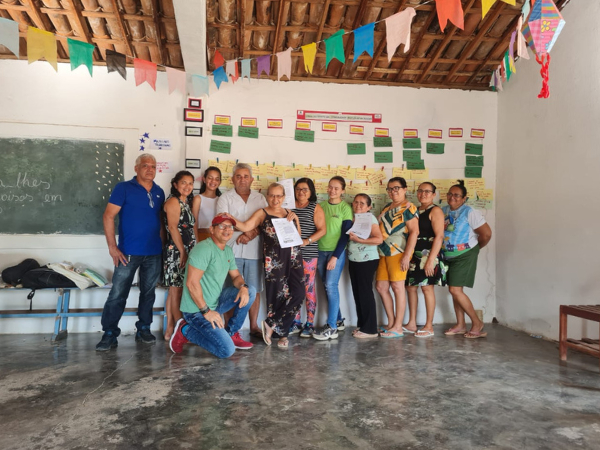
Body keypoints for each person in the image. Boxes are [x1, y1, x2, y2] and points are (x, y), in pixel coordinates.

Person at [96, 153, 165, 351]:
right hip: (127, 253)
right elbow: (108, 216)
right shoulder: (123, 188)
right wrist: (112, 247)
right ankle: (109, 333)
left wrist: (163, 246)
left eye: (153, 165)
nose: (149, 169)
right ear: (136, 168)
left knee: (148, 293)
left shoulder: (159, 191)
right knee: (118, 294)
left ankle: (143, 328)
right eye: (145, 165)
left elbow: (160, 221)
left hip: (153, 253)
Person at [229, 183, 305, 348]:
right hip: (275, 260)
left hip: (294, 257)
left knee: (299, 292)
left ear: (284, 197)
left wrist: (296, 220)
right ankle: (282, 335)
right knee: (278, 296)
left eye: (279, 196)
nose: (275, 199)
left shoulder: (289, 213)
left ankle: (270, 323)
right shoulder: (262, 213)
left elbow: (298, 237)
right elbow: (246, 226)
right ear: (267, 196)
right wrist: (230, 218)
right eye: (272, 195)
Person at [169, 214, 257, 357]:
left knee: (251, 291)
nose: (227, 230)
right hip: (196, 310)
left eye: (230, 227)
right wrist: (206, 312)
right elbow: (191, 283)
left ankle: (230, 333)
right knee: (226, 351)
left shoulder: (227, 251)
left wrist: (243, 287)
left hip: (215, 303)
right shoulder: (203, 249)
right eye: (222, 226)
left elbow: (235, 276)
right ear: (212, 229)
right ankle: (185, 330)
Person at [216, 163, 267, 340]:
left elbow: (265, 223)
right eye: (238, 176)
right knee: (231, 290)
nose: (242, 179)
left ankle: (253, 326)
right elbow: (223, 223)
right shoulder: (224, 198)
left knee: (254, 289)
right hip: (231, 251)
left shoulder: (260, 198)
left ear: (252, 179)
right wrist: (245, 231)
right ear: (232, 179)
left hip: (255, 251)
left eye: (246, 176)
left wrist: (252, 232)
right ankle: (230, 329)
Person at [442, 180, 492, 339]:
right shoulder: (443, 210)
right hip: (448, 256)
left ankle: (477, 323)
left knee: (455, 290)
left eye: (456, 195)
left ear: (464, 198)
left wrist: (474, 249)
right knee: (456, 291)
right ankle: (460, 325)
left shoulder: (470, 212)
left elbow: (486, 234)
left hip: (464, 255)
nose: (452, 197)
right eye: (450, 194)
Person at [375, 177, 419, 339]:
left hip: (398, 251)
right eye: (390, 189)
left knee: (397, 288)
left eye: (396, 188)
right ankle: (392, 323)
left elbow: (414, 232)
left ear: (405, 189)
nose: (393, 192)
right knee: (381, 287)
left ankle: (398, 327)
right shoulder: (387, 207)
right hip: (382, 251)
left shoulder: (409, 207)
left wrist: (408, 255)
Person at [403, 182, 448, 338]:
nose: (423, 194)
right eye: (420, 191)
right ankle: (411, 323)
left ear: (434, 194)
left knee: (427, 288)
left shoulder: (435, 210)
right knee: (410, 287)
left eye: (427, 191)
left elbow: (439, 236)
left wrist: (431, 260)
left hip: (428, 253)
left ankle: (429, 325)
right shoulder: (415, 210)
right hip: (414, 253)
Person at [313, 176, 353, 341]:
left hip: (336, 253)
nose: (332, 191)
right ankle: (338, 320)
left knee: (331, 285)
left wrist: (335, 257)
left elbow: (345, 235)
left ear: (342, 190)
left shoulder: (345, 208)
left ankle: (332, 327)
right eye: (330, 187)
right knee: (326, 285)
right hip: (320, 251)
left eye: (336, 188)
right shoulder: (320, 206)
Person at [289, 178, 327, 338]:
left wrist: (307, 241)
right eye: (298, 189)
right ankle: (296, 322)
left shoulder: (314, 207)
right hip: (291, 254)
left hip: (308, 253)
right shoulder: (288, 206)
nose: (301, 192)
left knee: (308, 288)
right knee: (293, 289)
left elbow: (322, 230)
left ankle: (309, 324)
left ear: (311, 191)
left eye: (305, 189)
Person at [162, 170, 196, 341]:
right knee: (176, 291)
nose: (187, 186)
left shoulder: (185, 202)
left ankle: (170, 329)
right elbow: (173, 228)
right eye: (183, 182)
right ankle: (178, 330)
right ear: (175, 184)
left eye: (190, 183)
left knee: (176, 290)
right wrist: (182, 251)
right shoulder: (174, 202)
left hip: (185, 251)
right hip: (176, 252)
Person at [347, 194, 383, 339]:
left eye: (362, 203)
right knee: (358, 293)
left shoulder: (370, 218)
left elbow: (378, 239)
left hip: (366, 260)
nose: (358, 205)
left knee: (365, 293)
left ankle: (370, 329)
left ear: (369, 207)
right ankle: (362, 325)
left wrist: (359, 240)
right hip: (354, 259)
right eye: (356, 202)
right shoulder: (353, 218)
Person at [192, 166, 222, 243]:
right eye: (210, 178)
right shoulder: (198, 199)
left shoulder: (221, 200)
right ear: (204, 179)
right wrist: (196, 241)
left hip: (218, 238)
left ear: (219, 182)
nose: (213, 181)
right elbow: (194, 223)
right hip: (202, 237)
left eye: (217, 179)